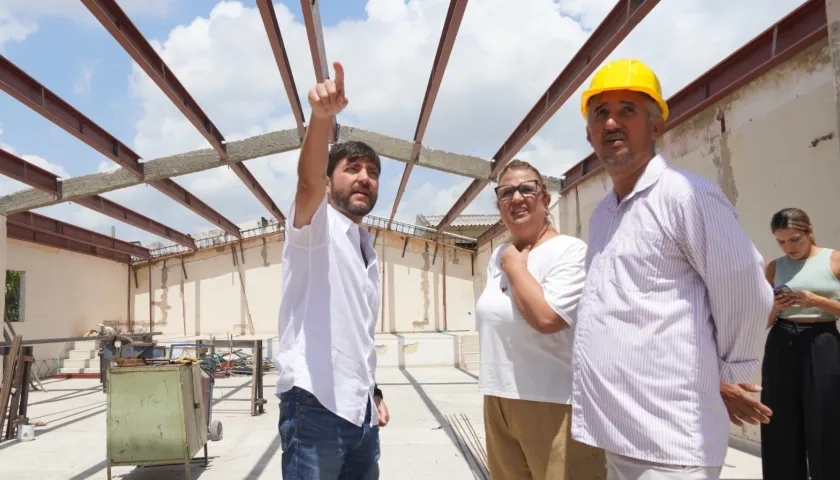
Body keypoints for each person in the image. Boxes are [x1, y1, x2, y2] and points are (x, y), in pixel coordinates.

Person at [569, 58, 774, 480]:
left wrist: (733, 376)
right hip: (619, 434)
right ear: (589, 134)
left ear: (656, 125)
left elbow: (746, 288)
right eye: (600, 113)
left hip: (671, 442)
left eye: (627, 110)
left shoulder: (685, 195)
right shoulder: (604, 214)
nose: (611, 123)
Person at [275, 61, 389, 480]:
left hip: (360, 413)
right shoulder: (315, 226)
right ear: (328, 182)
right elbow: (306, 182)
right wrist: (321, 119)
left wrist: (372, 392)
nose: (365, 178)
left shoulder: (363, 245)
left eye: (373, 173)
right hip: (315, 405)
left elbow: (356, 333)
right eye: (353, 169)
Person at [476, 159, 607, 480]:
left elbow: (547, 318)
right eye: (506, 192)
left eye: (526, 189)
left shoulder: (570, 252)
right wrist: (508, 259)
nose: (516, 198)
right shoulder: (499, 254)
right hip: (498, 398)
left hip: (553, 401)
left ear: (545, 199)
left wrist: (516, 267)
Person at [761, 208, 840, 480]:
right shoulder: (774, 266)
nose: (788, 248)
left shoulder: (835, 260)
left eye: (794, 239)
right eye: (781, 242)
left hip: (823, 341)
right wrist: (774, 306)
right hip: (781, 341)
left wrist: (816, 301)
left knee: (826, 419)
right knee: (779, 420)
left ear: (809, 231)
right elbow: (763, 321)